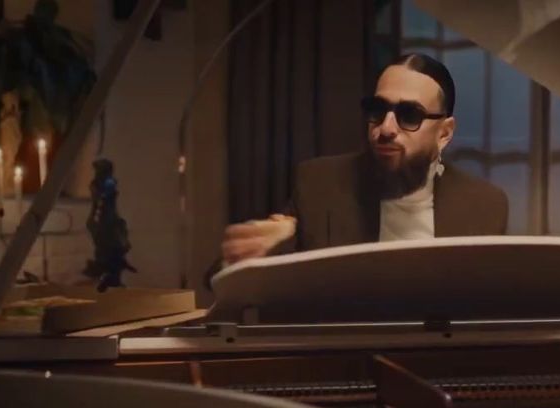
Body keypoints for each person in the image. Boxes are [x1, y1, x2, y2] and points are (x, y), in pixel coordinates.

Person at [215, 53, 509, 273]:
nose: (386, 128)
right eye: (377, 110)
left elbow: (491, 305)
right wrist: (269, 251)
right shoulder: (320, 184)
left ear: (444, 133)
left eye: (409, 115)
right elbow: (220, 275)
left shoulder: (484, 205)